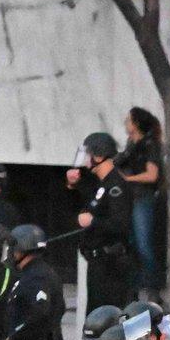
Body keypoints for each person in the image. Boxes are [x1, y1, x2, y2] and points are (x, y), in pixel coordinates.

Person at [70, 131, 134, 311]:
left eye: (89, 155)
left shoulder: (116, 186)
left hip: (111, 264)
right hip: (98, 262)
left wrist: (93, 222)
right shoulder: (101, 183)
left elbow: (120, 224)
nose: (86, 160)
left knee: (106, 316)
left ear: (98, 156)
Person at [117, 107, 164, 294]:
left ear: (136, 124)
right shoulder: (131, 144)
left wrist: (128, 179)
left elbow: (152, 175)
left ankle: (153, 288)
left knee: (144, 245)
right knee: (132, 245)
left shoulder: (150, 145)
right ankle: (133, 288)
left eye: (128, 120)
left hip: (142, 197)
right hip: (129, 198)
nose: (125, 123)